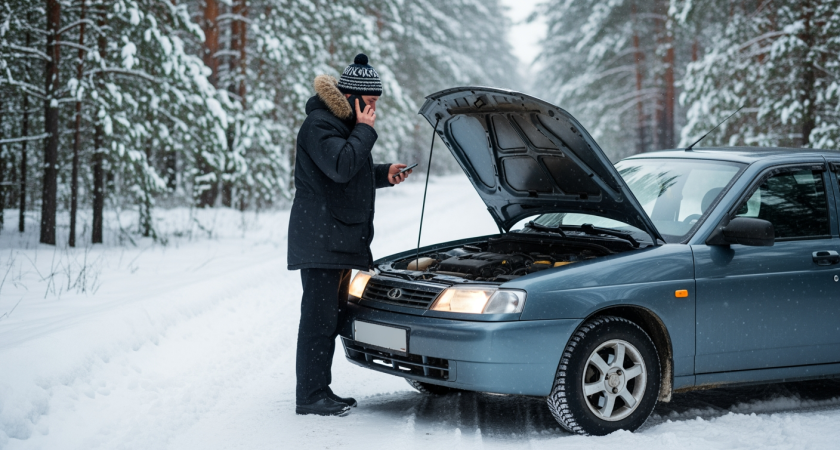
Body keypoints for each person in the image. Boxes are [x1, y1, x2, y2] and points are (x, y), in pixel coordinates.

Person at [287, 53, 413, 417]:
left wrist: (382, 173)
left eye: (375, 105)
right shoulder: (319, 124)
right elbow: (340, 166)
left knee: (329, 317)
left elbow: (348, 169)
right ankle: (309, 396)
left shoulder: (339, 126)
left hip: (335, 240)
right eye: (370, 103)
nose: (373, 111)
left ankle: (318, 389)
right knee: (318, 319)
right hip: (321, 239)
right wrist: (365, 130)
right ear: (353, 98)